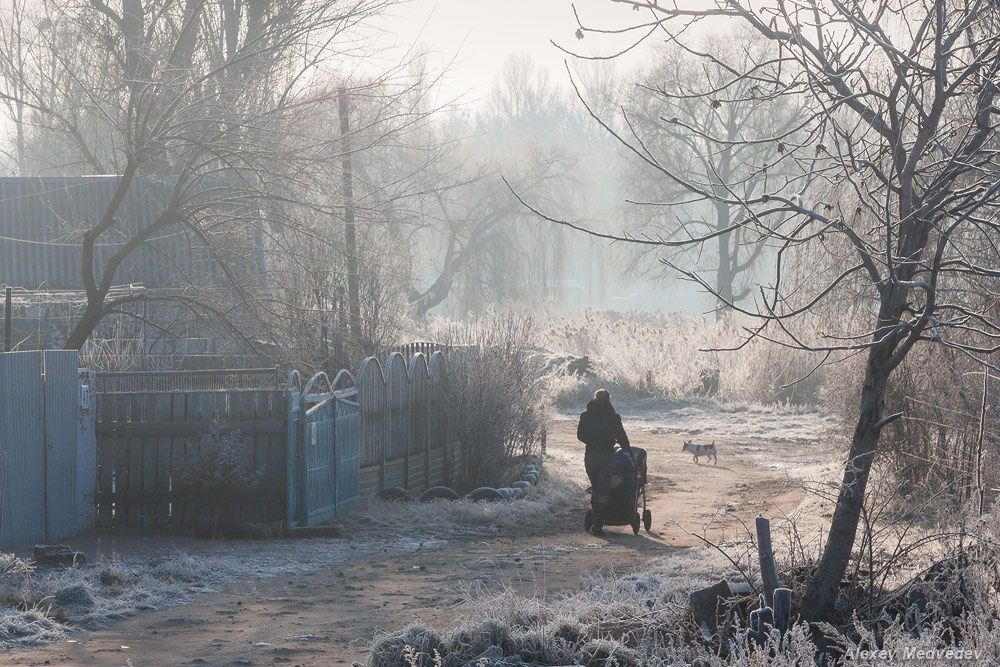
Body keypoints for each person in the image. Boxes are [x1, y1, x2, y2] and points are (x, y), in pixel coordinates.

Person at [576, 388, 631, 536]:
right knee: (603, 490)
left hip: (591, 456)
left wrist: (592, 441)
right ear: (609, 400)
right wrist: (627, 450)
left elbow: (580, 435)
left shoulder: (585, 416)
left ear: (594, 399)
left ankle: (596, 520)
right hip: (607, 455)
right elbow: (622, 437)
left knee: (595, 487)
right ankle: (598, 525)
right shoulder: (613, 417)